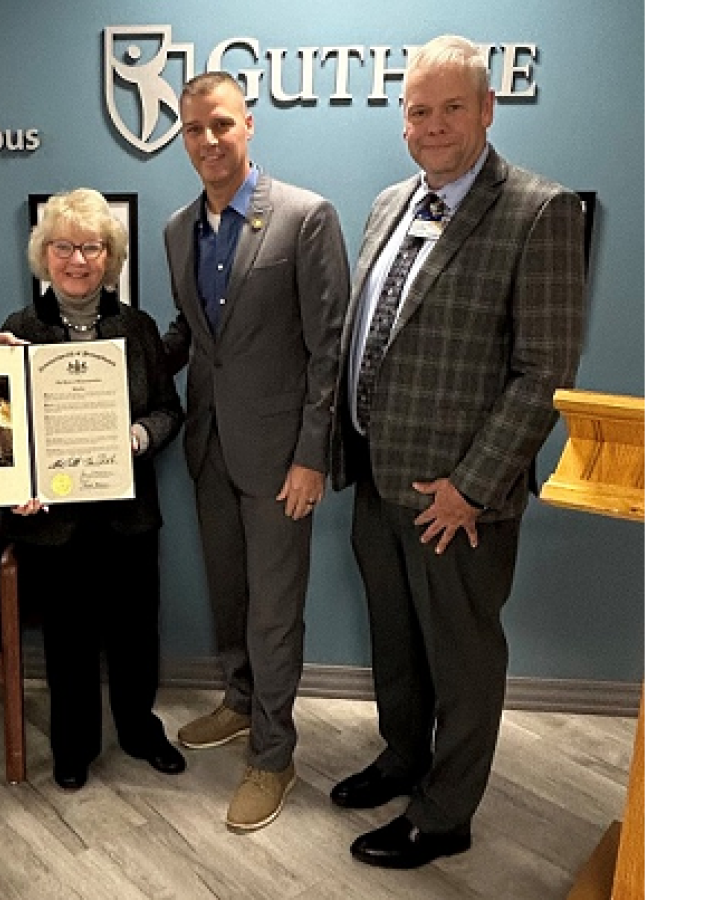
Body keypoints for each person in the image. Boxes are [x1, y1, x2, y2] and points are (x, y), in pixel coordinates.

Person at [329, 35, 586, 869]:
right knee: (396, 645)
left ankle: (444, 813)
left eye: (449, 108)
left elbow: (545, 369)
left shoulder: (539, 211)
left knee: (464, 660)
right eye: (418, 110)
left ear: (486, 108)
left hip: (458, 503)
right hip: (377, 481)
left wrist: (472, 487)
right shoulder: (388, 204)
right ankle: (404, 758)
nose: (432, 125)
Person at [160, 71, 349, 832]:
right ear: (182, 136)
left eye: (221, 126)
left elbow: (328, 348)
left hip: (281, 461)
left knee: (275, 613)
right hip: (209, 448)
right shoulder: (180, 229)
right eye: (194, 130)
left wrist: (313, 456)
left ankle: (274, 754)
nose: (208, 141)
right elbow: (190, 338)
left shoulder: (304, 218)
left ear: (248, 126)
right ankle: (240, 704)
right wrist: (96, 360)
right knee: (231, 595)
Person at [0, 188, 187, 791]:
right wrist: (16, 479)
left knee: (136, 632)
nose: (77, 260)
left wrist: (139, 434)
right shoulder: (18, 331)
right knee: (68, 640)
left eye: (91, 247)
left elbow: (167, 410)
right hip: (54, 520)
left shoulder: (139, 328)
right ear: (43, 254)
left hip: (127, 514)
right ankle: (73, 746)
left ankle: (137, 730)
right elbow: (2, 427)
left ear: (110, 257)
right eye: (63, 246)